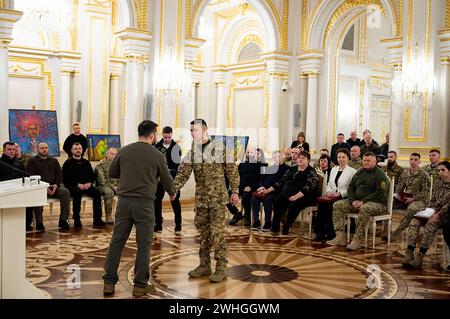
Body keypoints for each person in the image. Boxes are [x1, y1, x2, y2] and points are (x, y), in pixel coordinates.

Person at [103, 120, 176, 297]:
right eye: (156, 135)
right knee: (144, 245)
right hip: (144, 205)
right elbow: (167, 179)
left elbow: (112, 172)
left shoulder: (125, 150)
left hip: (124, 203)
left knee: (117, 242)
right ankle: (140, 286)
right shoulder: (157, 155)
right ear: (152, 135)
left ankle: (108, 283)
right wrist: (172, 193)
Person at [174, 119, 239, 283]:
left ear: (205, 129)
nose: (192, 133)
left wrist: (235, 190)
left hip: (217, 199)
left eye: (195, 130)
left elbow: (231, 169)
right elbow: (183, 173)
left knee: (217, 234)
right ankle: (204, 265)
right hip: (202, 200)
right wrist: (174, 188)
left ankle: (221, 268)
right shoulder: (192, 153)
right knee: (204, 234)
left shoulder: (219, 148)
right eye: (190, 130)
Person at [327, 152, 389, 250]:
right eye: (364, 160)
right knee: (337, 205)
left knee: (365, 208)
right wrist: (352, 201)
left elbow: (380, 193)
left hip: (377, 203)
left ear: (375, 161)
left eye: (368, 161)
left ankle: (358, 239)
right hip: (357, 201)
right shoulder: (360, 171)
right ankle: (340, 236)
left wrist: (363, 201)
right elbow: (350, 188)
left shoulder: (380, 174)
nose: (365, 162)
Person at [402, 161, 450, 269]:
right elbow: (432, 200)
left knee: (430, 225)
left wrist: (437, 215)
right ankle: (409, 252)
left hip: (445, 215)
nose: (440, 172)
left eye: (443, 170)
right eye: (438, 170)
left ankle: (420, 256)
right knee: (414, 221)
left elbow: (448, 206)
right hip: (433, 211)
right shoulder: (438, 184)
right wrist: (427, 210)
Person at [271, 150, 319, 235]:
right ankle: (275, 226)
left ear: (308, 160)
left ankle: (287, 225)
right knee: (277, 200)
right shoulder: (292, 168)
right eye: (299, 157)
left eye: (303, 158)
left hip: (305, 195)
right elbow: (282, 181)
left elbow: (309, 187)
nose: (300, 159)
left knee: (294, 204)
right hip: (289, 193)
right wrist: (269, 190)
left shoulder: (311, 171)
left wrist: (296, 196)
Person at [26, 142, 71, 231]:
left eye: (46, 147)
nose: (44, 149)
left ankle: (63, 220)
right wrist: (44, 187)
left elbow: (59, 174)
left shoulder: (54, 160)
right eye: (42, 148)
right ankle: (39, 222)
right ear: (37, 149)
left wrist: (56, 185)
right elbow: (31, 176)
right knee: (38, 196)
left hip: (54, 187)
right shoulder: (32, 161)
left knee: (65, 192)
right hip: (40, 187)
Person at [313, 149, 356, 241]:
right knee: (321, 204)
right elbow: (329, 184)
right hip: (331, 195)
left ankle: (330, 233)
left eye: (343, 157)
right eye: (339, 157)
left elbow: (352, 188)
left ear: (347, 158)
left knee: (330, 206)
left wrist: (339, 194)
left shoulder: (352, 171)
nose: (341, 159)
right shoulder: (334, 169)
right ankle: (320, 233)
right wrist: (328, 192)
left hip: (343, 197)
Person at [62, 142, 105, 228]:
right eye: (75, 149)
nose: (78, 151)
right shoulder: (68, 163)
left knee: (97, 193)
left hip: (87, 185)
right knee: (77, 193)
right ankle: (77, 219)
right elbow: (65, 178)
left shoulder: (86, 162)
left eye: (79, 149)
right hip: (73, 186)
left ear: (82, 150)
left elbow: (92, 175)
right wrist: (77, 184)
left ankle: (97, 219)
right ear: (71, 150)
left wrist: (89, 183)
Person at [390, 153, 430, 240]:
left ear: (419, 162)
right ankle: (386, 229)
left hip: (419, 200)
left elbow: (426, 192)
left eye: (415, 160)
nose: (413, 162)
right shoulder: (405, 174)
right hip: (406, 198)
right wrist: (397, 197)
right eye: (411, 159)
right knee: (389, 204)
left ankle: (397, 232)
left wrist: (413, 199)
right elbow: (398, 189)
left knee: (411, 209)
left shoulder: (424, 175)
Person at [250, 150, 289, 231]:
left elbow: (281, 183)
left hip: (276, 191)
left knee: (267, 199)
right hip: (264, 189)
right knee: (254, 198)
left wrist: (267, 190)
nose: (276, 158)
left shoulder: (286, 169)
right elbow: (261, 179)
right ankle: (256, 221)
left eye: (278, 156)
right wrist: (261, 187)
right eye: (274, 157)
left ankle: (268, 222)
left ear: (282, 157)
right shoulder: (269, 168)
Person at [153, 126, 182, 232]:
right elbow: (154, 164)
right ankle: (158, 223)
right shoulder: (156, 147)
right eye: (165, 137)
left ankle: (178, 224)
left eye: (169, 137)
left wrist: (166, 175)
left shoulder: (176, 148)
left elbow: (175, 166)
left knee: (174, 200)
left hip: (172, 179)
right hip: (159, 179)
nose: (167, 139)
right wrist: (159, 175)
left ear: (171, 135)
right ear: (162, 135)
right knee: (157, 201)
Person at [229, 147, 264, 226]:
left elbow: (260, 180)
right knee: (225, 195)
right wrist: (237, 187)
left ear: (255, 154)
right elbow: (237, 177)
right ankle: (237, 213)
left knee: (245, 196)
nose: (249, 154)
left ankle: (247, 216)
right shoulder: (242, 165)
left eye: (251, 152)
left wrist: (251, 187)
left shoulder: (260, 165)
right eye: (248, 152)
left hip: (252, 188)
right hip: (241, 187)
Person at [95, 148, 119, 225]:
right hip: (103, 186)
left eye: (115, 154)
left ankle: (126, 215)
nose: (114, 156)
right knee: (109, 193)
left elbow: (122, 177)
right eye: (112, 154)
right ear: (107, 154)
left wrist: (119, 186)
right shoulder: (100, 165)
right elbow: (103, 181)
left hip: (116, 186)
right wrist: (113, 187)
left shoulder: (118, 164)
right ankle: (108, 215)